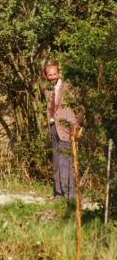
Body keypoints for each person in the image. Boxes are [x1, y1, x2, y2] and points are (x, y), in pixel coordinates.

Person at [44, 61, 84, 201]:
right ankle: (59, 194)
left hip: (67, 129)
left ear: (59, 73)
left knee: (66, 163)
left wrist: (77, 126)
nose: (52, 77)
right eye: (50, 75)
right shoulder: (48, 90)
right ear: (46, 76)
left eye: (54, 74)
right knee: (56, 163)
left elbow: (79, 107)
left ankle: (70, 196)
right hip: (54, 129)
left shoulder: (68, 88)